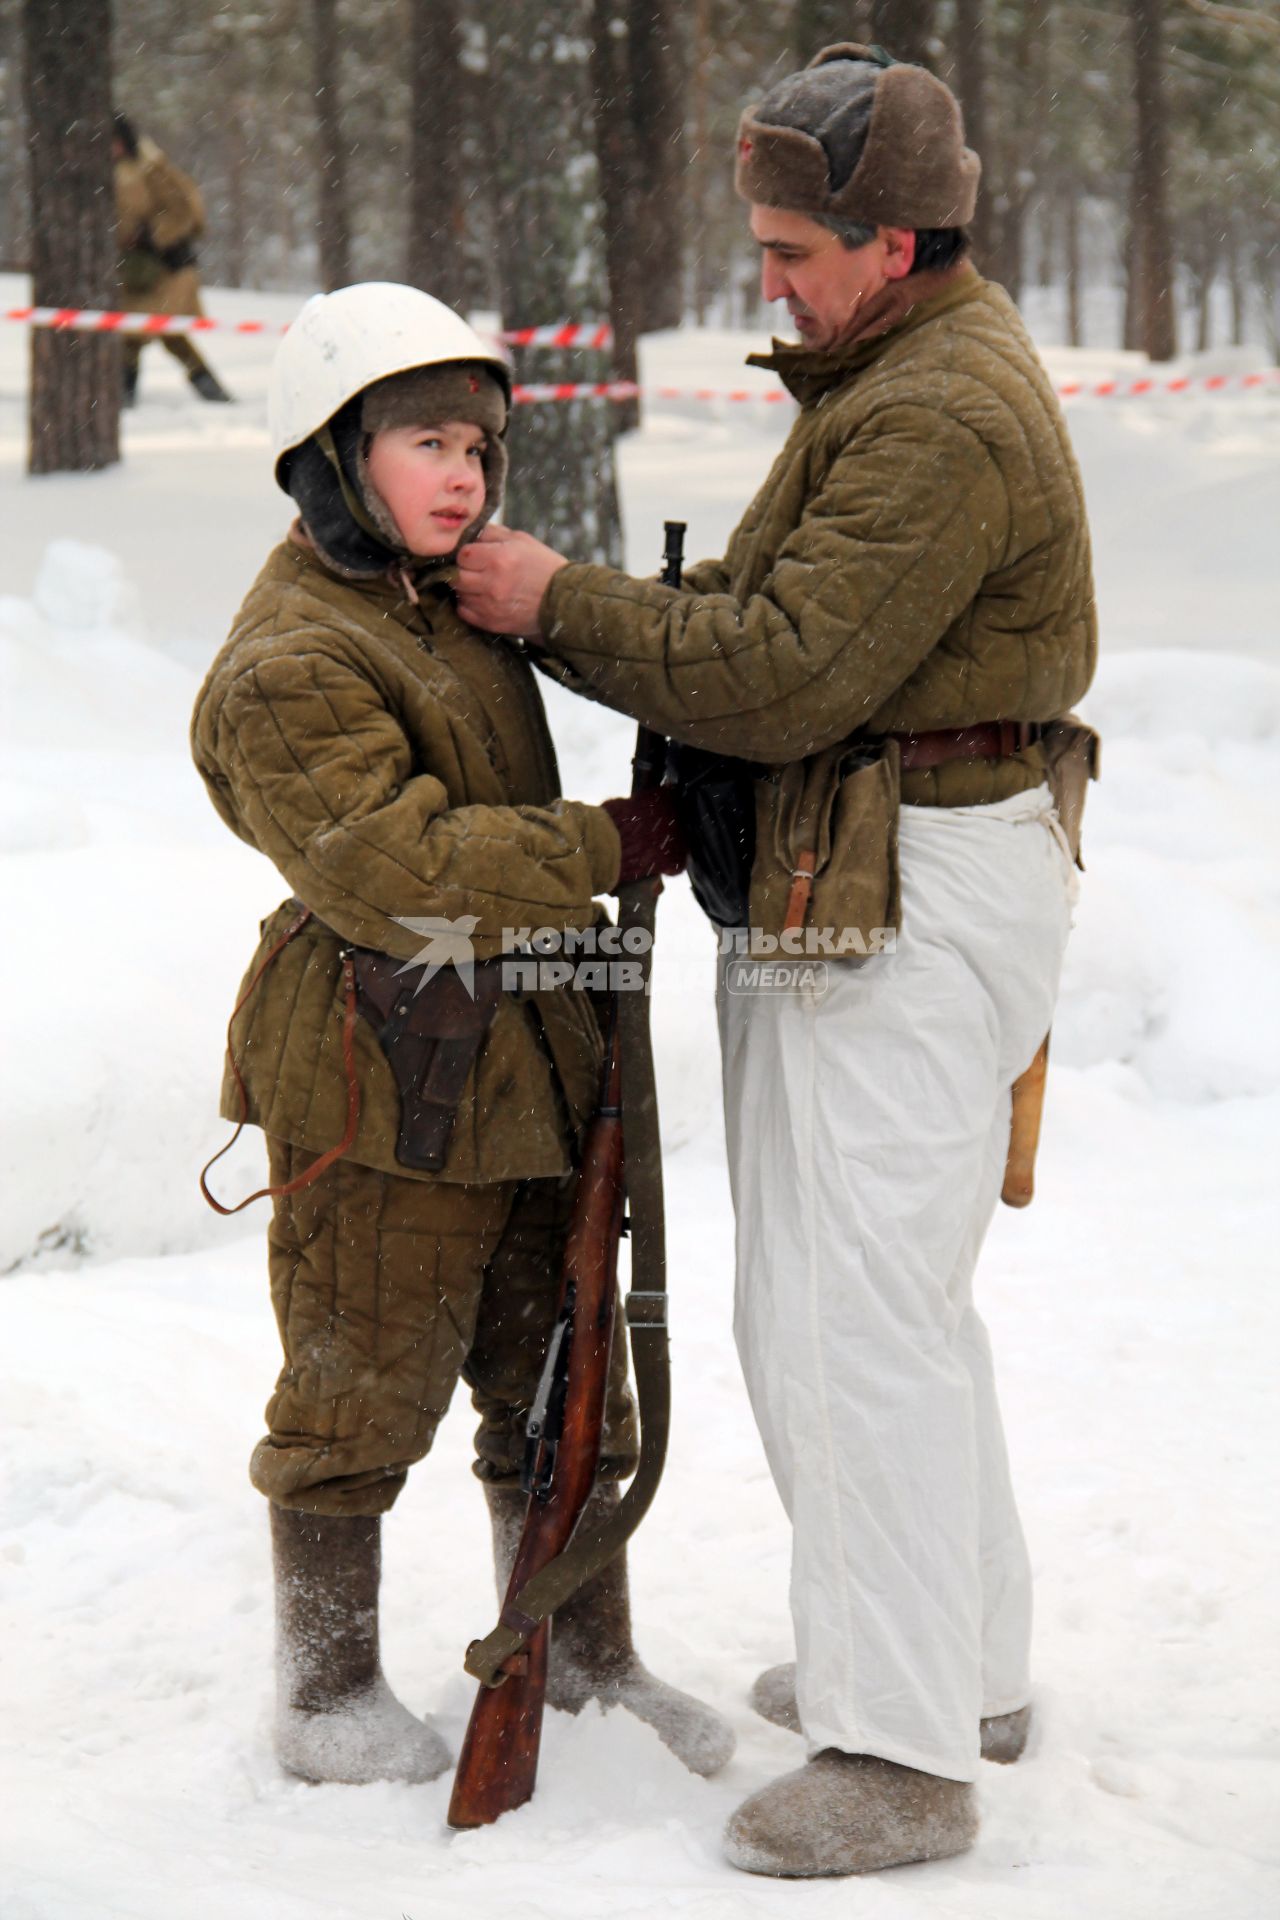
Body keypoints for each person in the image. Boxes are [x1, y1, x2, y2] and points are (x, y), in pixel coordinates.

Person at [454, 43, 1097, 1878]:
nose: (770, 278)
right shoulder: (892, 364)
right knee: (871, 1304)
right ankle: (953, 1668)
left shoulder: (933, 411)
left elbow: (793, 665)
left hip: (905, 888)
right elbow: (779, 630)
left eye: (794, 247)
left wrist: (557, 605)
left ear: (891, 243)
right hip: (871, 871)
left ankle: (899, 1756)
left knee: (854, 1320)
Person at [190, 281, 731, 1787]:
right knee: (360, 1378)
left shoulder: (445, 598)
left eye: (481, 447)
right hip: (386, 1070)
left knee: (563, 1380)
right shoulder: (294, 661)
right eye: (427, 442)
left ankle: (584, 1659)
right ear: (333, 457)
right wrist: (599, 845)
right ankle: (326, 1690)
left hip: (530, 1060)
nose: (465, 476)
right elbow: (398, 864)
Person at [112, 112, 233, 406]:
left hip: (169, 268)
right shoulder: (115, 171)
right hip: (139, 271)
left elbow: (185, 212)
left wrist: (151, 236)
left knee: (138, 332)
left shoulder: (152, 170)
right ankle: (209, 388)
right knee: (166, 334)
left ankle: (124, 396)